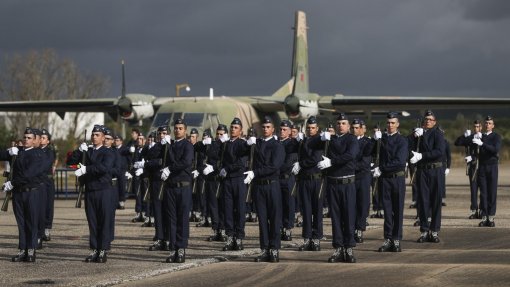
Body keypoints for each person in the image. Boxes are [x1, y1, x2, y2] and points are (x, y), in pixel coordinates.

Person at [316, 114, 359, 263]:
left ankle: (349, 248)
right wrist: (320, 137)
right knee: (336, 217)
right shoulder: (330, 140)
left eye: (344, 123)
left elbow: (350, 155)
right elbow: (311, 145)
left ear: (348, 126)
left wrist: (332, 162)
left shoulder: (352, 139)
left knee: (348, 217)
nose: (341, 125)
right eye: (339, 123)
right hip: (333, 184)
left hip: (347, 184)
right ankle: (338, 248)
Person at [0, 128, 47, 262]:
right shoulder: (18, 151)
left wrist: (12, 183)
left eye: (29, 138)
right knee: (21, 223)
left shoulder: (38, 154)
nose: (26, 140)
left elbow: (29, 174)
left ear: (35, 140)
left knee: (31, 222)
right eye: (25, 137)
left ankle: (31, 250)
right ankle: (23, 249)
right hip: (18, 193)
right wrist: (8, 151)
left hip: (31, 192)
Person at [70, 125, 115, 263]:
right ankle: (95, 249)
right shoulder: (87, 152)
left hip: (103, 191)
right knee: (93, 221)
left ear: (103, 137)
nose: (94, 137)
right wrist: (79, 151)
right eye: (93, 135)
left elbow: (104, 167)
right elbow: (71, 163)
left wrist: (86, 169)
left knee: (104, 221)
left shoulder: (108, 152)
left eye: (97, 135)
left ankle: (103, 250)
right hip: (90, 191)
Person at [247, 117, 285, 263]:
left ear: (272, 129)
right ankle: (265, 249)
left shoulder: (277, 145)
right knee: (262, 219)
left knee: (274, 218)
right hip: (259, 186)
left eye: (268, 127)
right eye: (263, 127)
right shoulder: (257, 144)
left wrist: (255, 173)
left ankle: (274, 249)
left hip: (272, 185)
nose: (265, 129)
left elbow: (274, 166)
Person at [372, 112, 408, 252]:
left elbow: (399, 161)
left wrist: (381, 168)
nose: (390, 125)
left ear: (397, 124)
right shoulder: (382, 139)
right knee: (387, 210)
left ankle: (397, 239)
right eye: (388, 123)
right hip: (385, 180)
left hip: (397, 178)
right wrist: (375, 141)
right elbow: (371, 153)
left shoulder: (402, 140)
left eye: (393, 123)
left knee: (397, 210)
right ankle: (388, 238)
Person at [160, 118, 194, 263]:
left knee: (182, 219)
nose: (177, 130)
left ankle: (181, 249)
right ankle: (173, 249)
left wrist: (170, 168)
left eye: (180, 128)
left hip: (183, 186)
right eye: (176, 128)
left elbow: (185, 162)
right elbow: (163, 160)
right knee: (171, 220)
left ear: (185, 130)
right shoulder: (170, 146)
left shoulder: (187, 145)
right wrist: (165, 147)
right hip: (171, 187)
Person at [410, 110, 446, 243]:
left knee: (436, 201)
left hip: (435, 170)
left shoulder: (438, 134)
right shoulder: (418, 134)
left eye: (430, 119)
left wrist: (422, 156)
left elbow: (439, 152)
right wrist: (414, 135)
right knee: (423, 201)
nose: (428, 121)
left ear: (434, 122)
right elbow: (407, 144)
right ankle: (424, 230)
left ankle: (434, 230)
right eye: (426, 119)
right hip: (422, 171)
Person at [134, 126, 168, 251]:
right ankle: (160, 238)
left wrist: (147, 164)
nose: (162, 135)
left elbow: (160, 161)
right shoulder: (156, 147)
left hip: (168, 184)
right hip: (156, 182)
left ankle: (169, 238)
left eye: (164, 133)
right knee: (157, 212)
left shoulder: (172, 146)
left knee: (169, 213)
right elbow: (150, 157)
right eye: (160, 133)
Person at [294, 116, 325, 252]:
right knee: (306, 211)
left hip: (316, 180)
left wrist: (301, 164)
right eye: (308, 128)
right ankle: (307, 238)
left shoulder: (319, 142)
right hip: (304, 180)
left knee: (317, 211)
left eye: (313, 128)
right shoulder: (303, 141)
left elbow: (315, 159)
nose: (310, 130)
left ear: (317, 129)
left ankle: (316, 239)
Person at [220, 118, 250, 251]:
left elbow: (241, 163)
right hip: (227, 180)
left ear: (241, 130)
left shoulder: (242, 144)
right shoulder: (225, 144)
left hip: (238, 179)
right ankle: (230, 236)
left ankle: (239, 237)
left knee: (239, 209)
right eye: (232, 127)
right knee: (228, 209)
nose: (233, 129)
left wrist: (227, 168)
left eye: (236, 127)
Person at [198, 126, 227, 241]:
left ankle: (224, 230)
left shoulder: (228, 145)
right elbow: (204, 155)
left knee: (223, 206)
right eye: (218, 134)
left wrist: (214, 167)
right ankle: (216, 230)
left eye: (221, 134)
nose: (219, 136)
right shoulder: (213, 144)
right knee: (213, 206)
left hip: (222, 180)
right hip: (212, 180)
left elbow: (227, 161)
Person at [475, 116, 501, 227]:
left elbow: (495, 149)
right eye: (486, 123)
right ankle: (484, 216)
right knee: (483, 193)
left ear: (493, 125)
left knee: (492, 192)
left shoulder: (496, 136)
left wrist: (483, 143)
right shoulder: (480, 136)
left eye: (490, 123)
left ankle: (491, 216)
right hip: (482, 166)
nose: (487, 125)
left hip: (492, 166)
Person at [454, 120, 482, 219]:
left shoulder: (484, 137)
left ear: (481, 127)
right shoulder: (470, 137)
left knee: (483, 190)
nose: (476, 128)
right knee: (473, 190)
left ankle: (482, 210)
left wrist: (473, 157)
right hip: (473, 167)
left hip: (482, 167)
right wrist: (464, 136)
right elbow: (457, 143)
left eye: (478, 126)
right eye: (475, 127)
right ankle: (474, 210)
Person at [351, 119, 373, 244]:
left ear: (361, 129)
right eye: (352, 127)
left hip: (363, 177)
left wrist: (349, 165)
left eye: (356, 128)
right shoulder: (349, 141)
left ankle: (359, 229)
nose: (354, 130)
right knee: (351, 204)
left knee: (362, 204)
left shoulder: (367, 142)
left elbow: (365, 162)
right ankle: (351, 228)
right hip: (351, 176)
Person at [278, 120, 299, 242]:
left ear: (290, 131)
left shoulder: (292, 144)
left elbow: (288, 162)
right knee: (278, 205)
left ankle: (288, 228)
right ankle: (280, 227)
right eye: (281, 129)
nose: (282, 131)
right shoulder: (276, 143)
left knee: (288, 204)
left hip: (287, 178)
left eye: (285, 129)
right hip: (277, 178)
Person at [39, 129, 57, 244]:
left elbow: (45, 165)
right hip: (38, 182)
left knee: (48, 206)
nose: (41, 139)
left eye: (44, 138)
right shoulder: (35, 150)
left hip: (47, 182)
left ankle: (46, 229)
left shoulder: (49, 152)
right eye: (40, 137)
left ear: (48, 141)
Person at [114, 135, 131, 210]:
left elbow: (129, 159)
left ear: (121, 141)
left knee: (122, 186)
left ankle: (121, 202)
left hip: (122, 170)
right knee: (115, 187)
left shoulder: (125, 149)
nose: (116, 142)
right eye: (115, 140)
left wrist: (129, 170)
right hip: (114, 170)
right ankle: (115, 201)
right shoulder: (113, 149)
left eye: (117, 140)